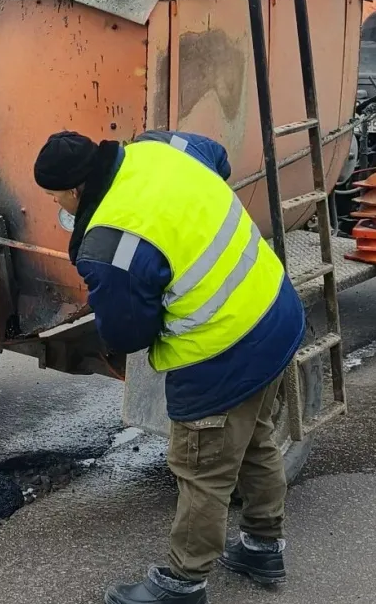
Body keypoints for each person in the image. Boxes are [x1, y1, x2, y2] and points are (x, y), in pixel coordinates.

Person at [33, 131, 306, 604]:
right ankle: (262, 547)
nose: (55, 203)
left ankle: (184, 582)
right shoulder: (158, 148)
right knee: (254, 438)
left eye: (55, 195)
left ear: (75, 191)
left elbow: (126, 335)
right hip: (274, 309)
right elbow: (218, 156)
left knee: (202, 467)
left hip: (223, 348)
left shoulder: (112, 242)